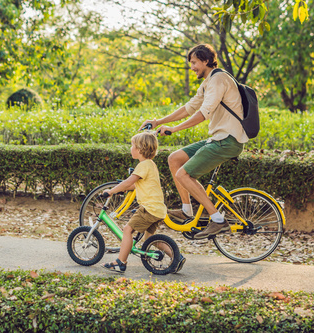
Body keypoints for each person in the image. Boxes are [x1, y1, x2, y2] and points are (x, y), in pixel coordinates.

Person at [140, 43, 248, 240]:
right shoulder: (208, 82)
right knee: (174, 159)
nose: (192, 67)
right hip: (218, 138)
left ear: (206, 61)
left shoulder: (218, 80)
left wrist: (174, 129)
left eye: (194, 62)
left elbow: (203, 114)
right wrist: (158, 121)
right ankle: (187, 210)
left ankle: (217, 220)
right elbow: (188, 108)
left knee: (184, 175)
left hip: (228, 140)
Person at [101, 131, 186, 273]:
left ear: (139, 149)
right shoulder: (151, 165)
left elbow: (129, 181)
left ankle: (120, 262)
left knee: (128, 230)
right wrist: (125, 189)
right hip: (158, 209)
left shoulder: (142, 166)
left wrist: (111, 191)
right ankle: (177, 257)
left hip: (149, 208)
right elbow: (136, 184)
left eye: (132, 145)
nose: (130, 148)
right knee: (151, 239)